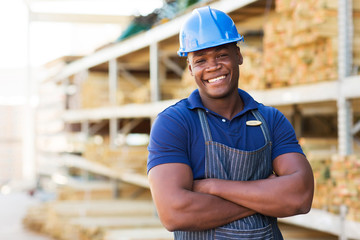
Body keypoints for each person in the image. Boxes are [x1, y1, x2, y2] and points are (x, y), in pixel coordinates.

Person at [147, 6, 314, 240]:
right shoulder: (174, 123)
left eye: (221, 55)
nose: (213, 66)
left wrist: (213, 187)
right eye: (201, 59)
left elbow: (300, 197)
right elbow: (175, 213)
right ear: (190, 68)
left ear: (238, 55)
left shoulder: (271, 120)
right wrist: (266, 198)